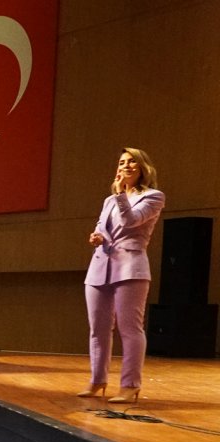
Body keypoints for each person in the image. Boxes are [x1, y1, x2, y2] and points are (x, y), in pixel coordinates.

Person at [80, 147, 164, 404]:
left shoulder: (153, 197)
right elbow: (101, 227)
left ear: (142, 168)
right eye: (122, 162)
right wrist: (96, 236)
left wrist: (119, 195)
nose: (126, 166)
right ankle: (97, 380)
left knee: (130, 329)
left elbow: (130, 222)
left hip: (130, 268)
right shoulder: (109, 201)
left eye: (132, 162)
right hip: (99, 267)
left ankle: (130, 385)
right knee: (98, 329)